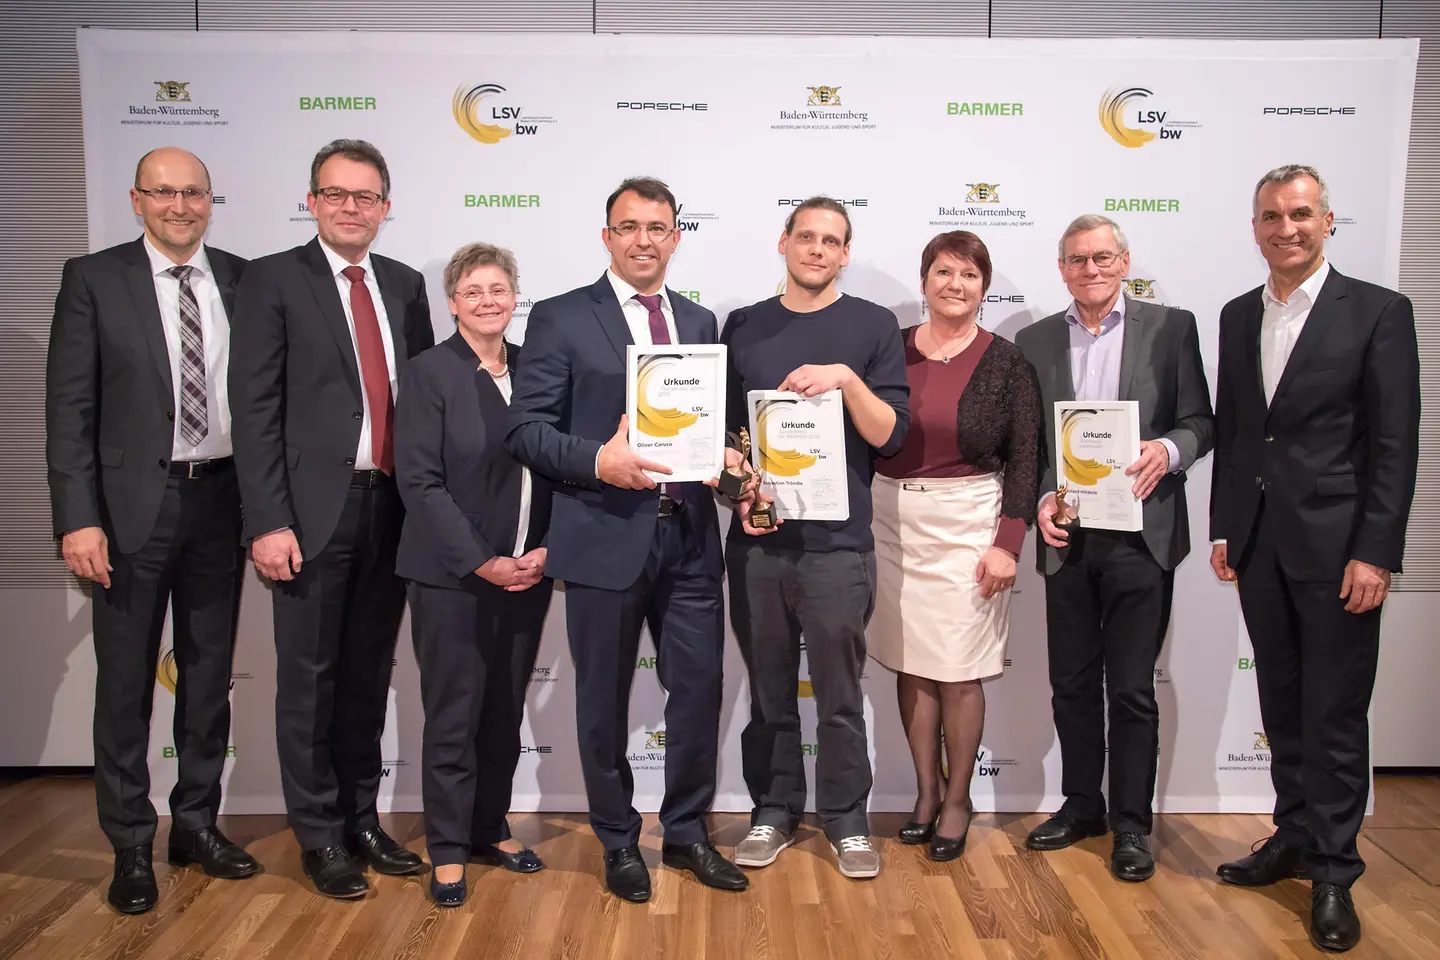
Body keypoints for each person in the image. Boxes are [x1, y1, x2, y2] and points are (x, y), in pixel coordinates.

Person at [506, 176, 747, 903]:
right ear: (606, 236)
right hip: (602, 534)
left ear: (677, 237)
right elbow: (526, 431)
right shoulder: (559, 317)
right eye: (629, 226)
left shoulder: (702, 322)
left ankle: (686, 833)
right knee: (603, 702)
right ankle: (616, 837)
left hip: (692, 542)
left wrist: (731, 463)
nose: (644, 239)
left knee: (699, 692)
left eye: (658, 227)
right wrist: (597, 461)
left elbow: (715, 430)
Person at [1209, 165, 1419, 953]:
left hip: (1341, 556)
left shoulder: (1377, 313)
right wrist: (1227, 529)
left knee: (1334, 714)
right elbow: (1238, 432)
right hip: (1261, 547)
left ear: (1328, 221)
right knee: (1282, 705)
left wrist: (1377, 551)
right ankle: (1293, 836)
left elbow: (1395, 445)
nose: (1284, 228)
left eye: (1299, 214)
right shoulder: (1236, 315)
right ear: (1255, 226)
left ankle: (1336, 867)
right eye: (1270, 215)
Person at [45, 147, 257, 914]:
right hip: (130, 511)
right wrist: (78, 519)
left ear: (211, 199)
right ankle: (131, 841)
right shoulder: (93, 280)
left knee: (207, 680)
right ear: (137, 199)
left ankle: (195, 825)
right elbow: (68, 412)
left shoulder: (244, 278)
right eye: (163, 192)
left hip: (223, 503)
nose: (179, 206)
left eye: (193, 192)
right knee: (127, 684)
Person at [229, 139, 433, 899]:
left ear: (386, 205)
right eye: (337, 194)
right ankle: (317, 835)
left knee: (367, 677)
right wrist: (267, 520)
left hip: (392, 509)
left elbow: (422, 401)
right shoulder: (273, 280)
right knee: (309, 683)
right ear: (312, 201)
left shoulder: (407, 286)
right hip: (309, 516)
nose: (353, 207)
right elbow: (251, 411)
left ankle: (362, 818)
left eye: (367, 195)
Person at [1015, 214, 1213, 883]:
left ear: (1125, 262)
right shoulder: (1036, 340)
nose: (1090, 270)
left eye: (1102, 258)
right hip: (1068, 534)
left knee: (1131, 690)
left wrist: (1168, 449)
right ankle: (1081, 806)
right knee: (1070, 684)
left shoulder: (1172, 326)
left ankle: (1132, 825)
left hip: (1142, 535)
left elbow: (1200, 422)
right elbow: (1035, 446)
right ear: (1062, 268)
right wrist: (1043, 499)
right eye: (1077, 260)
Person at [722, 196, 910, 880]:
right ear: (784, 241)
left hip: (839, 546)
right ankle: (773, 810)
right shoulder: (743, 326)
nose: (818, 250)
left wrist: (847, 380)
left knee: (838, 692)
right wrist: (735, 486)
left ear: (845, 252)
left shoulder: (873, 325)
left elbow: (892, 434)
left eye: (832, 240)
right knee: (769, 691)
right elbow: (719, 440)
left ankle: (847, 820)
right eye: (807, 237)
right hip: (759, 546)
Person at [870, 231, 1040, 862]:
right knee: (911, 662)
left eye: (969, 275)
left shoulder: (1007, 360)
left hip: (970, 524)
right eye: (943, 272)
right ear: (923, 281)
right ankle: (924, 792)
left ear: (984, 287)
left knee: (960, 673)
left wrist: (1008, 544)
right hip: (890, 520)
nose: (954, 285)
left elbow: (1027, 459)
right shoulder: (888, 350)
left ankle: (959, 799)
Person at [394, 242, 554, 907]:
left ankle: (490, 826)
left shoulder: (535, 369)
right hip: (453, 578)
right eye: (473, 291)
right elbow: (421, 484)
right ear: (452, 301)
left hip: (528, 571)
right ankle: (449, 847)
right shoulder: (431, 372)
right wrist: (483, 561)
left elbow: (557, 464)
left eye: (499, 289)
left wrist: (544, 550)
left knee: (501, 712)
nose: (487, 301)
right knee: (454, 716)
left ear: (516, 297)